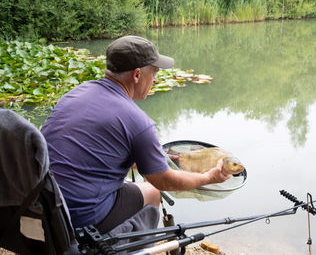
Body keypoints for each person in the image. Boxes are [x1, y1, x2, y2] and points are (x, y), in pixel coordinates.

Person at [41, 35, 230, 233]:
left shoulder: (75, 93)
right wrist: (209, 178)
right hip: (79, 218)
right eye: (154, 72)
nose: (156, 79)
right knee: (153, 192)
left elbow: (82, 148)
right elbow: (164, 181)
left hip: (42, 205)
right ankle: (129, 246)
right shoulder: (139, 122)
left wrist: (144, 158)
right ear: (137, 75)